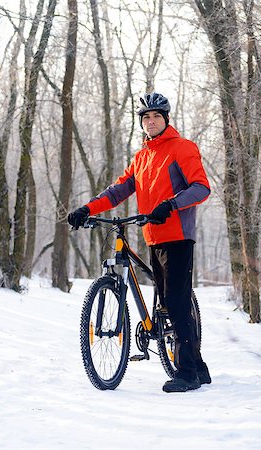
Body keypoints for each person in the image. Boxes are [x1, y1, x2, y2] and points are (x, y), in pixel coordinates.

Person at [68, 92, 212, 393]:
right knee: (167, 297)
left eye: (156, 116)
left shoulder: (182, 148)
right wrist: (87, 209)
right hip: (154, 235)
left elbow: (201, 188)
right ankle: (199, 366)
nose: (150, 121)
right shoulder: (142, 156)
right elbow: (118, 190)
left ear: (166, 119)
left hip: (178, 235)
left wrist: (170, 205)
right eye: (146, 117)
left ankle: (188, 374)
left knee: (175, 301)